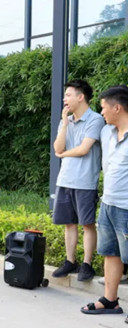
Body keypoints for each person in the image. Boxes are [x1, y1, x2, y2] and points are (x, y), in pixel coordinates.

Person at [52, 79, 105, 282]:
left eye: (68, 95)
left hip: (85, 181)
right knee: (69, 223)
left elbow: (84, 149)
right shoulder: (66, 121)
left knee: (87, 224)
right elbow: (57, 148)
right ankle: (70, 261)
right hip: (65, 179)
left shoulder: (95, 120)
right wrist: (65, 124)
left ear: (80, 97)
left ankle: (87, 264)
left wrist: (63, 154)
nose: (64, 99)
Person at [81, 85, 128, 315]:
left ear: (117, 108)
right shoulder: (107, 132)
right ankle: (110, 300)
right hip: (108, 203)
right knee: (111, 252)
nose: (101, 112)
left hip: (126, 206)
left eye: (103, 107)